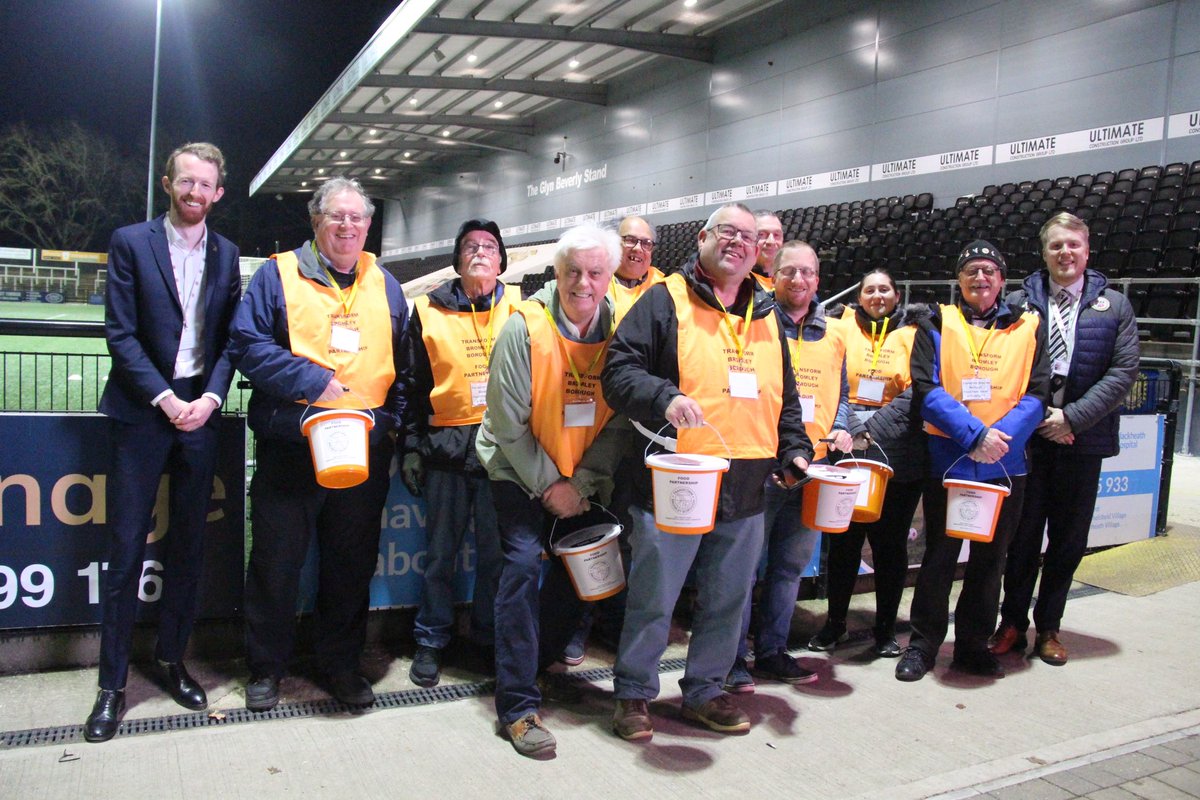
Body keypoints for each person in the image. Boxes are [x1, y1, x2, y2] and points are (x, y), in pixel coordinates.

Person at [603, 202, 812, 741]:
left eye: (748, 236)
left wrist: (794, 449)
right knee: (656, 594)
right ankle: (632, 693)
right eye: (727, 232)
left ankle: (704, 690)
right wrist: (664, 397)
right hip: (677, 478)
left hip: (746, 480)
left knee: (728, 596)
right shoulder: (662, 300)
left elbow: (785, 397)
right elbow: (618, 371)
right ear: (701, 239)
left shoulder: (766, 312)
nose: (738, 243)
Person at [228, 177, 408, 712]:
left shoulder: (387, 284)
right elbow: (244, 343)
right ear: (316, 221)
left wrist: (391, 421)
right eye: (337, 216)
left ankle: (341, 665)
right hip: (292, 447)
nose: (347, 226)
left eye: (357, 217)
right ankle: (265, 668)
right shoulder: (276, 274)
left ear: (368, 226)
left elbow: (404, 365)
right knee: (275, 566)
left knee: (350, 567)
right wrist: (310, 382)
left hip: (363, 451)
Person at [86, 142, 242, 743]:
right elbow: (120, 335)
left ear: (218, 193)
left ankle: (173, 660)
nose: (195, 193)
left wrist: (208, 399)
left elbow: (231, 339)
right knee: (125, 551)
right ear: (167, 183)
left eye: (206, 185)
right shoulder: (130, 242)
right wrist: (165, 398)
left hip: (200, 412)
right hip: (145, 410)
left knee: (189, 547)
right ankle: (110, 686)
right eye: (186, 182)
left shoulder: (227, 254)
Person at [475, 223, 628, 758]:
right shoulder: (523, 328)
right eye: (571, 272)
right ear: (556, 274)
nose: (582, 283)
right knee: (520, 568)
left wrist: (580, 484)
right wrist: (551, 488)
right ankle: (517, 705)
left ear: (610, 276)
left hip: (581, 473)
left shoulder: (621, 332)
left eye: (594, 272)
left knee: (576, 571)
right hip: (519, 470)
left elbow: (619, 422)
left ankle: (536, 663)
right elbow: (509, 426)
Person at [896, 240, 1049, 682]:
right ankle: (923, 646)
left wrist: (998, 441)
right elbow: (926, 390)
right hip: (950, 460)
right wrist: (974, 436)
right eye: (970, 271)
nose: (980, 278)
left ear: (1002, 279)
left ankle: (971, 646)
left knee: (990, 559)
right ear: (958, 280)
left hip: (1005, 462)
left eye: (988, 270)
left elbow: (1038, 393)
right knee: (939, 557)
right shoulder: (936, 323)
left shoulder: (1029, 327)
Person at [992, 213, 1139, 665]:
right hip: (1029, 442)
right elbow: (997, 365)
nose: (1065, 253)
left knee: (1068, 540)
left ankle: (1049, 627)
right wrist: (1035, 419)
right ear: (1044, 253)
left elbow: (1123, 372)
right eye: (1056, 246)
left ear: (1087, 249)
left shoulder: (1115, 306)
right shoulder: (1017, 301)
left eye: (1073, 245)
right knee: (1020, 538)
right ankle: (1012, 622)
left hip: (1082, 441)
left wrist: (1072, 418)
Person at [726, 240, 863, 693]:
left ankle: (772, 651)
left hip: (814, 470)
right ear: (774, 276)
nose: (799, 280)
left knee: (789, 568)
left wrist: (841, 427)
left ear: (818, 280)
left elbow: (841, 394)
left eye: (807, 273)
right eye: (789, 272)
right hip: (763, 466)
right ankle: (730, 657)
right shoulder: (754, 324)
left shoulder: (836, 333)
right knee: (742, 568)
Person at [401, 219, 515, 687]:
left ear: (502, 260)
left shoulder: (521, 310)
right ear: (457, 258)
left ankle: (486, 639)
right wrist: (410, 445)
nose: (481, 252)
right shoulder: (427, 311)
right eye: (470, 246)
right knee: (440, 555)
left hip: (502, 453)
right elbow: (410, 385)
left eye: (490, 246)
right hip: (445, 451)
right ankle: (430, 640)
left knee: (495, 556)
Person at [809, 269, 925, 658]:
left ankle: (886, 630)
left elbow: (918, 390)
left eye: (885, 289)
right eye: (869, 289)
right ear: (859, 295)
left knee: (890, 546)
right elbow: (832, 383)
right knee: (843, 542)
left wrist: (874, 428)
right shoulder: (838, 327)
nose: (877, 295)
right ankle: (835, 624)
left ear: (896, 294)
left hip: (899, 451)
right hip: (846, 444)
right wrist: (855, 428)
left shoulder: (915, 332)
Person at [607, 215, 665, 326]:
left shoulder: (664, 286)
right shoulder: (595, 282)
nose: (638, 248)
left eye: (646, 243)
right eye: (629, 240)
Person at [750, 210, 784, 290]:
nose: (771, 241)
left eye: (776, 235)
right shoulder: (737, 284)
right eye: (761, 234)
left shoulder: (793, 280)